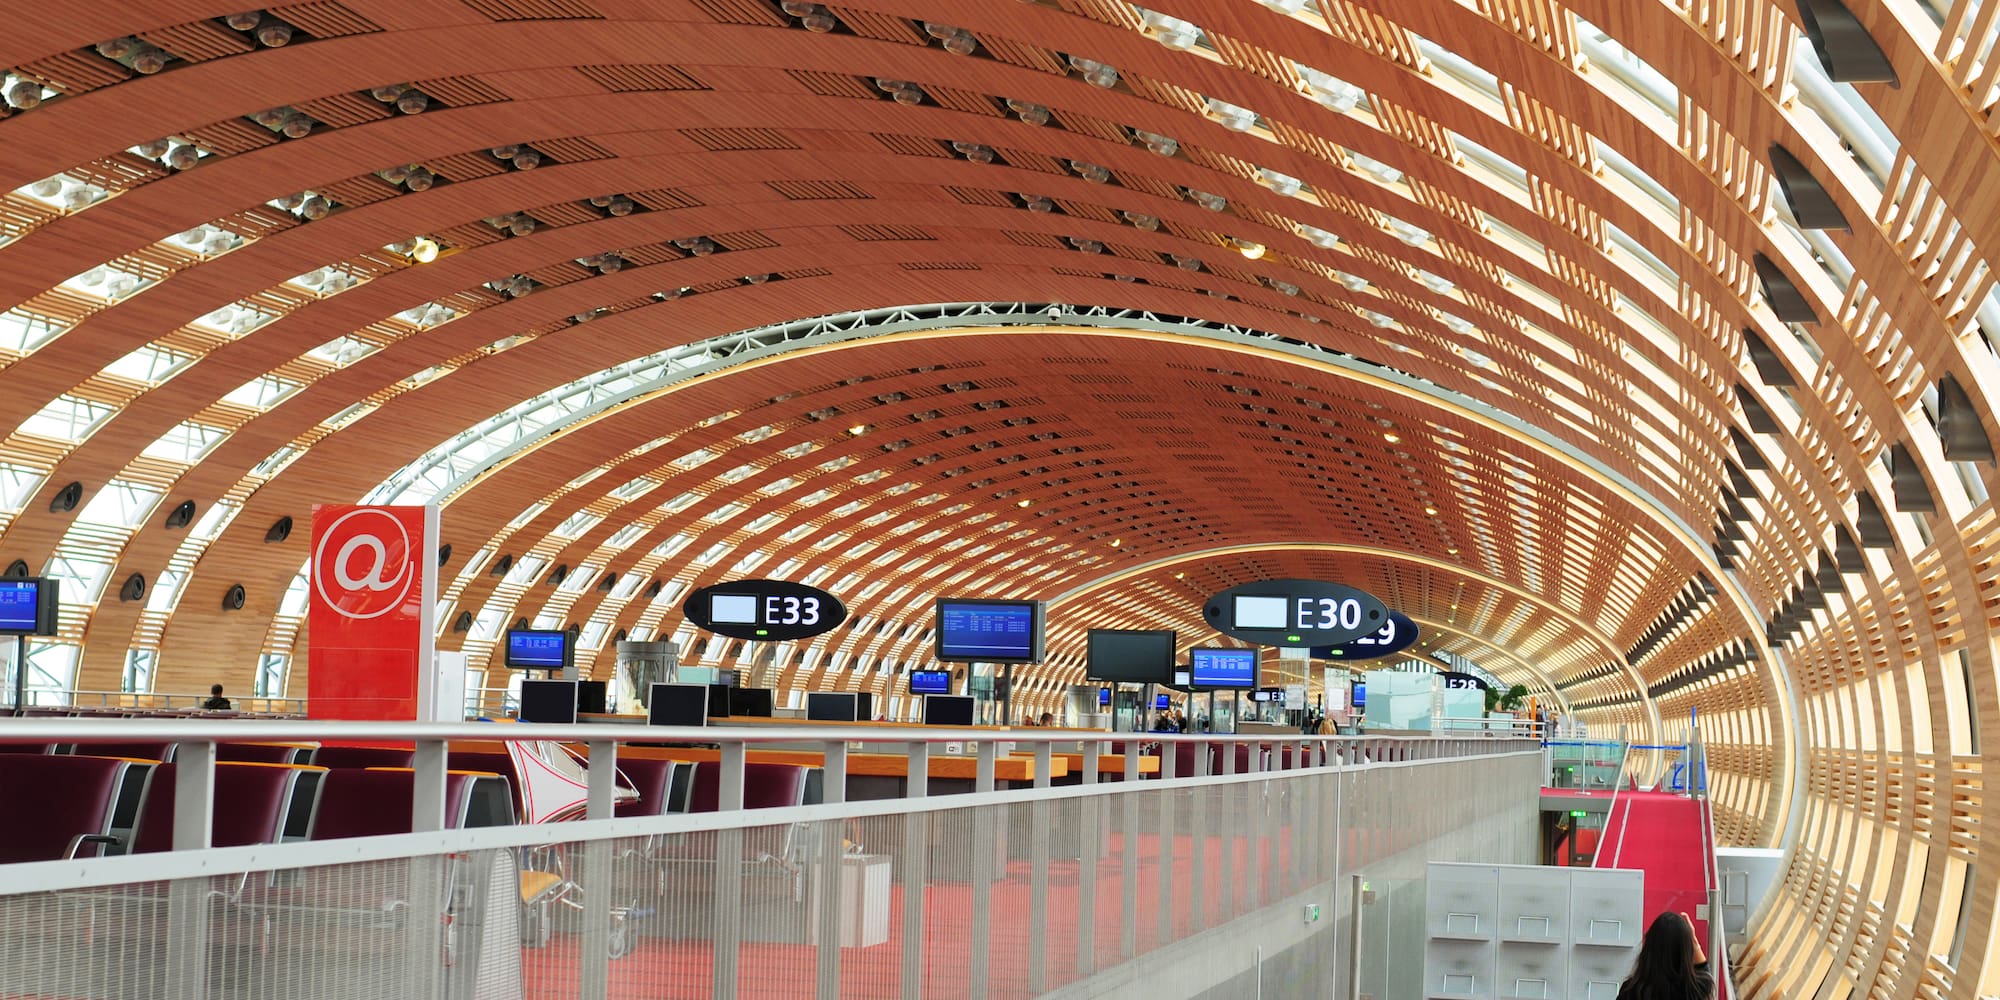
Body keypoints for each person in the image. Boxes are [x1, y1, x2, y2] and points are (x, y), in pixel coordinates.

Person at [1617, 911, 1712, 1000]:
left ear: (1649, 947)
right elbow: (1704, 970)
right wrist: (1693, 941)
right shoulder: (1694, 991)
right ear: (1685, 952)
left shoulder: (1630, 992)